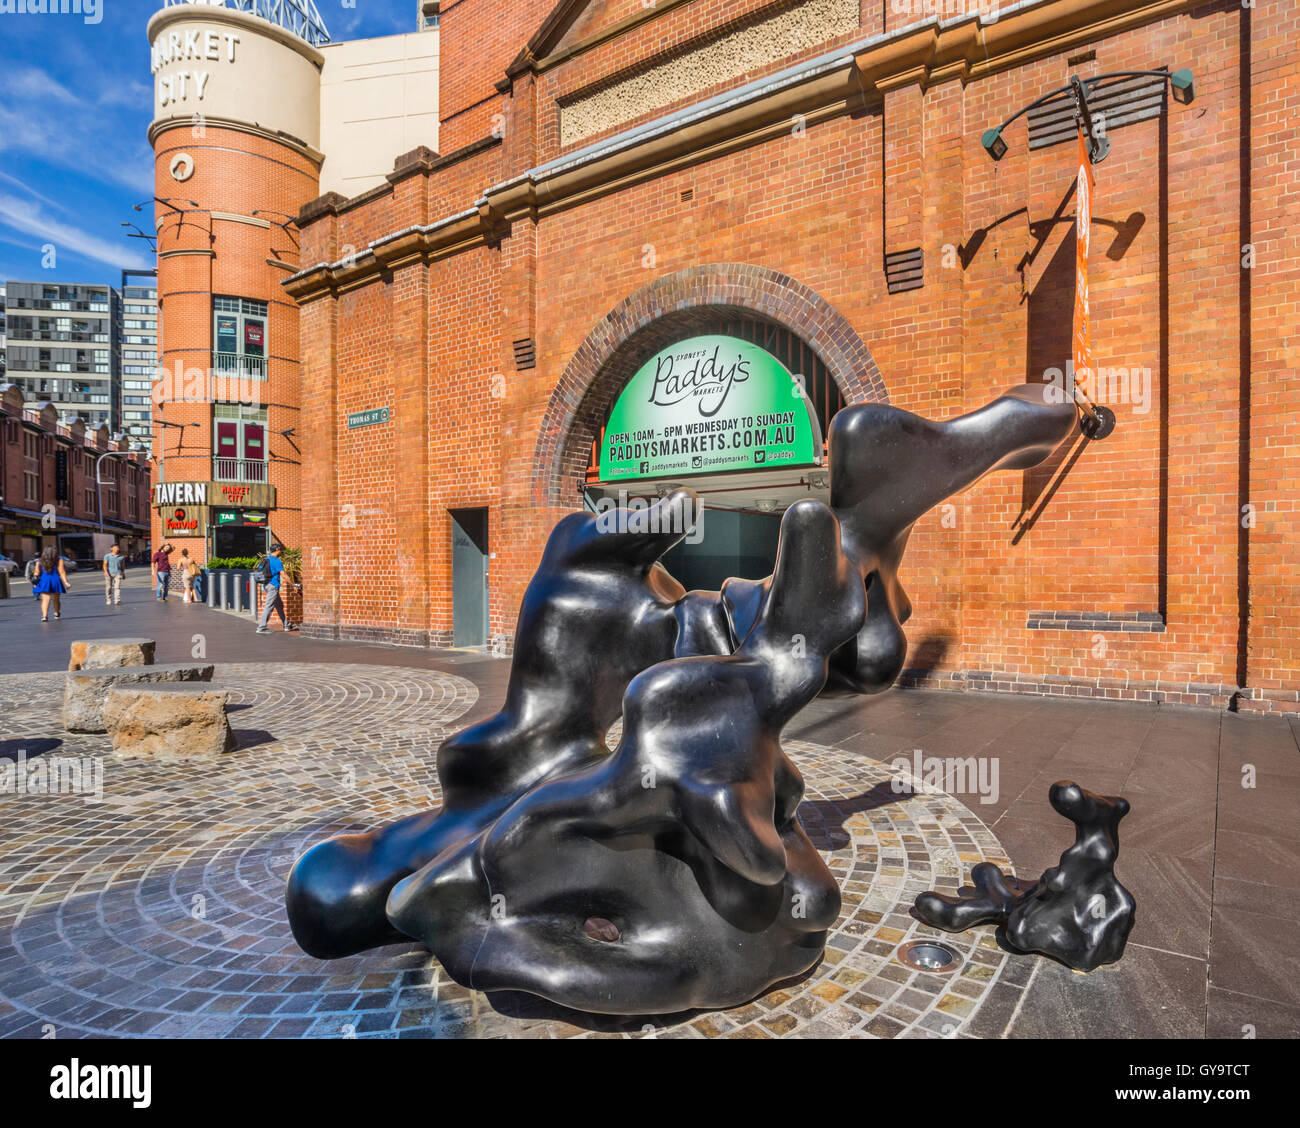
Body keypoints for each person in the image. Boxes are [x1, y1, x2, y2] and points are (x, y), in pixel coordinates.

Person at [256, 545, 295, 633]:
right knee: (269, 606)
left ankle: (286, 624)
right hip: (273, 585)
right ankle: (261, 627)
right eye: (280, 549)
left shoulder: (267, 558)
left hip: (266, 584)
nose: (281, 551)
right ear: (277, 550)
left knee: (279, 605)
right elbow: (283, 575)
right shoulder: (276, 560)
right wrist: (292, 585)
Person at [32, 546, 69, 622]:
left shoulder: (39, 560)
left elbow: (36, 572)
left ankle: (44, 616)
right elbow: (61, 572)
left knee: (45, 599)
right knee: (56, 599)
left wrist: (35, 582)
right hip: (55, 580)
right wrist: (66, 582)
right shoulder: (59, 560)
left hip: (44, 580)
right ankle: (56, 612)